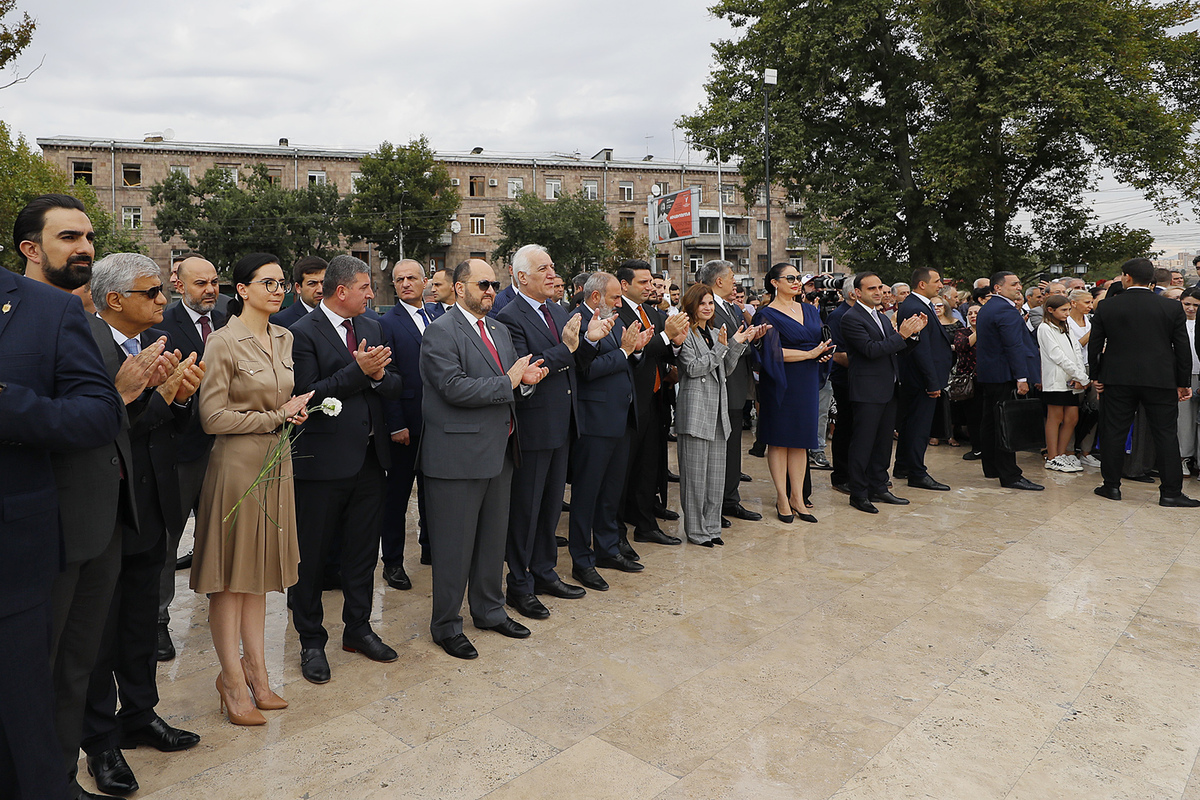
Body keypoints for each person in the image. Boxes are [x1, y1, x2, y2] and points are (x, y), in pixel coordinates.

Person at [7, 194, 132, 800]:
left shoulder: (81, 318)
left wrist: (132, 397)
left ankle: (72, 764)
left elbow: (99, 413)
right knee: (39, 668)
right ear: (31, 249)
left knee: (81, 660)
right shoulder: (29, 314)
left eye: (87, 237)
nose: (84, 247)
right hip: (45, 523)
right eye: (67, 238)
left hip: (103, 515)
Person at [83, 254, 205, 796]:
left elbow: (156, 425)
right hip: (106, 512)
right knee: (99, 634)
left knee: (139, 624)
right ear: (115, 300)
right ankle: (101, 741)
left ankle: (140, 713)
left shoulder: (147, 347)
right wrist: (135, 393)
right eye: (152, 292)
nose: (163, 300)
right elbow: (96, 431)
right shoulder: (85, 346)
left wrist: (175, 398)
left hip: (153, 504)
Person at [191, 253, 310, 727]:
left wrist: (292, 412)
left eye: (282, 283)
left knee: (259, 575)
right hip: (236, 467)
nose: (278, 290)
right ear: (241, 289)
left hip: (276, 463)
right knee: (230, 579)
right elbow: (211, 417)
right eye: (268, 283)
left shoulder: (285, 336)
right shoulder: (222, 342)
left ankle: (258, 674)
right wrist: (277, 416)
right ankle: (232, 681)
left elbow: (279, 399)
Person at [420, 259, 550, 659]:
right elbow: (453, 387)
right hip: (457, 457)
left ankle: (489, 610)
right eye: (483, 284)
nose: (491, 291)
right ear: (460, 289)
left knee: (493, 542)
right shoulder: (440, 332)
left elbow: (509, 383)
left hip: (500, 452)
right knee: (454, 548)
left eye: (494, 284)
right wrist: (509, 382)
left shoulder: (498, 329)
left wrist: (524, 385)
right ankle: (446, 625)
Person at [289, 255, 403, 684]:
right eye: (365, 287)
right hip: (322, 466)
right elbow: (307, 395)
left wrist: (374, 378)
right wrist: (359, 372)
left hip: (372, 461)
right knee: (313, 559)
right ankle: (311, 641)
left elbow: (396, 384)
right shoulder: (301, 333)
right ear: (341, 291)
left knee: (361, 554)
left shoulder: (372, 328)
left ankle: (358, 629)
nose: (372, 294)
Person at [495, 246, 593, 620]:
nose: (553, 274)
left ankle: (544, 571)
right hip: (533, 426)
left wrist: (590, 341)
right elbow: (528, 369)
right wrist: (567, 347)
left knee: (552, 506)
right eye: (544, 268)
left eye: (553, 266)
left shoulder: (557, 309)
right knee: (526, 510)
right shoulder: (509, 317)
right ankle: (519, 584)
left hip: (563, 422)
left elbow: (574, 362)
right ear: (521, 277)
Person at [155, 253, 226, 662]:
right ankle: (158, 621)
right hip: (181, 452)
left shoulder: (229, 324)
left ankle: (221, 613)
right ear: (178, 284)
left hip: (226, 449)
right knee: (167, 540)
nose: (211, 290)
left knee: (219, 535)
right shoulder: (162, 328)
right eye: (201, 283)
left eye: (214, 281)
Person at [1089, 257, 1198, 506]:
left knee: (1114, 431)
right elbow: (1181, 348)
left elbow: (1096, 345)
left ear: (1127, 277)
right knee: (1166, 434)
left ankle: (1111, 486)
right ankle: (1171, 492)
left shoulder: (1107, 307)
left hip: (1117, 379)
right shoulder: (1170, 308)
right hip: (1160, 379)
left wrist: (1096, 376)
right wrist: (1183, 382)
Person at [568, 272, 652, 592]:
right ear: (595, 298)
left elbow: (626, 359)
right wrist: (626, 353)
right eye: (615, 297)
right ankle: (582, 558)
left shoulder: (612, 319)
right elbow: (584, 370)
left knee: (610, 493)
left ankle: (607, 550)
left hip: (620, 418)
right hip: (594, 421)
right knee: (587, 494)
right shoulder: (577, 321)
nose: (620, 303)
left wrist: (638, 349)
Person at [675, 284, 767, 546]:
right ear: (691, 305)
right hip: (695, 412)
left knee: (716, 476)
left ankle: (713, 528)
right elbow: (693, 369)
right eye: (702, 303)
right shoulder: (685, 333)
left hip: (718, 410)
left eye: (710, 304)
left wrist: (736, 345)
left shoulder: (717, 332)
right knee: (694, 479)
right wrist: (720, 349)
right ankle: (696, 531)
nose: (707, 307)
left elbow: (723, 369)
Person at [615, 261, 690, 550]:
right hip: (628, 405)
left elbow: (663, 351)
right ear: (625, 285)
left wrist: (676, 343)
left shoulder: (651, 313)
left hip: (655, 400)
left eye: (651, 282)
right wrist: (665, 337)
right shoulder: (619, 313)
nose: (650, 287)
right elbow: (637, 349)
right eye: (643, 282)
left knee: (648, 467)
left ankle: (646, 523)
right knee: (624, 472)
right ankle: (617, 529)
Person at [751, 263, 833, 523]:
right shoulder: (765, 315)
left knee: (801, 440)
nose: (796, 282)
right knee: (779, 439)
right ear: (775, 282)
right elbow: (769, 353)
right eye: (790, 278)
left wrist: (823, 355)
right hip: (780, 380)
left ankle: (797, 497)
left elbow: (821, 339)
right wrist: (809, 354)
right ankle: (781, 497)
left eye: (798, 278)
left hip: (807, 379)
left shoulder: (810, 309)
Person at [840, 272, 927, 513]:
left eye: (880, 287)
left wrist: (914, 333)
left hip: (889, 387)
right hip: (867, 390)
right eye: (871, 289)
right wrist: (902, 335)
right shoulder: (851, 317)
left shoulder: (880, 316)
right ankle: (859, 493)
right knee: (863, 443)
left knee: (883, 443)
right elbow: (870, 350)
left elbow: (895, 349)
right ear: (857, 293)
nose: (879, 292)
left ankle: (879, 486)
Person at [378, 260, 434, 591]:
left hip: (439, 424)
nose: (406, 283)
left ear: (425, 281)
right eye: (399, 279)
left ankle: (431, 549)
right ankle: (393, 563)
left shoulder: (438, 316)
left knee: (434, 493)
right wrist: (396, 424)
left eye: (412, 277)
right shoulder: (388, 323)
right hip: (406, 426)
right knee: (397, 498)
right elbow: (388, 377)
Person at [697, 260, 761, 525]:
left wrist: (752, 336)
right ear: (719, 281)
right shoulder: (707, 308)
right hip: (721, 386)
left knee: (733, 447)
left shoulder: (732, 307)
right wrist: (744, 340)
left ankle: (731, 499)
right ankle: (719, 503)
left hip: (737, 384)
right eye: (732, 277)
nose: (736, 281)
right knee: (720, 450)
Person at [974, 272, 1044, 491]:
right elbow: (1013, 346)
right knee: (1005, 423)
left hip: (990, 374)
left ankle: (992, 467)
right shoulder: (1005, 310)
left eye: (1019, 283)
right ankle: (1010, 474)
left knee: (991, 421)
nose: (1018, 287)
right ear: (997, 288)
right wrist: (1022, 378)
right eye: (1013, 284)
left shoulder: (989, 308)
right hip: (1004, 374)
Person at [893, 267, 954, 491]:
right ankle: (917, 472)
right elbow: (920, 349)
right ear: (922, 284)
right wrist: (932, 382)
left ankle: (903, 466)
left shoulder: (919, 304)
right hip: (920, 379)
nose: (940, 285)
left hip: (918, 378)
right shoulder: (914, 307)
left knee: (910, 423)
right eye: (937, 281)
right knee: (919, 426)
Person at [1038, 295, 1088, 473]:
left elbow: (1076, 350)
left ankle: (1061, 454)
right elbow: (1057, 355)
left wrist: (1080, 374)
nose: (1067, 313)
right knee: (1055, 417)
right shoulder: (1045, 328)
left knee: (1072, 417)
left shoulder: (1064, 327)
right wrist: (1080, 376)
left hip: (1072, 379)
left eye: (1068, 310)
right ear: (1050, 310)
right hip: (1056, 380)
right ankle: (1052, 457)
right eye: (1063, 310)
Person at [826, 282, 857, 494]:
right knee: (845, 427)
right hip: (845, 379)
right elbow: (836, 352)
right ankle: (841, 475)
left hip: (864, 380)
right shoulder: (839, 315)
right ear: (855, 292)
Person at [952, 305, 984, 460]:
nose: (972, 315)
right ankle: (977, 448)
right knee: (973, 416)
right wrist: (979, 330)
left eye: (977, 313)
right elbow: (962, 346)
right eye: (970, 313)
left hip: (988, 378)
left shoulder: (992, 331)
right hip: (969, 380)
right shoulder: (962, 332)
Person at [270, 255, 326, 328]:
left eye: (324, 283)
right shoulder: (281, 322)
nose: (320, 290)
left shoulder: (340, 315)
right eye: (312, 284)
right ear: (298, 287)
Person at [1179, 288, 1200, 474]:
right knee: (1184, 421)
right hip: (1183, 376)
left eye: (1196, 305)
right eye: (1187, 304)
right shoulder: (1175, 323)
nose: (1191, 309)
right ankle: (1183, 457)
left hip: (1199, 374)